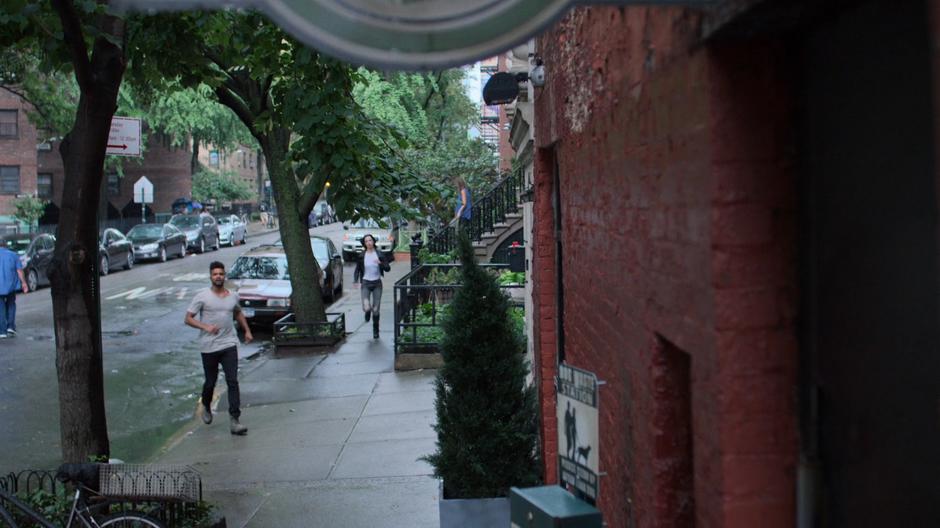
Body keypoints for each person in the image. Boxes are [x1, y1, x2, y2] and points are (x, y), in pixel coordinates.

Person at [185, 261, 253, 435]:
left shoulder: (232, 296)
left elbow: (237, 312)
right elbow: (188, 318)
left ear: (224, 276)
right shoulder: (202, 296)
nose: (218, 277)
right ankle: (206, 404)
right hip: (209, 346)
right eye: (215, 274)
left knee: (232, 381)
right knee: (210, 382)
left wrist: (246, 330)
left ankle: (235, 420)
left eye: (221, 274)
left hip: (229, 343)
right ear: (210, 276)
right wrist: (205, 327)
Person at [353, 234, 391, 339]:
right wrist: (355, 281)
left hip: (377, 284)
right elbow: (357, 270)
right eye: (366, 241)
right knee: (366, 307)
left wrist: (381, 263)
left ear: (373, 241)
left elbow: (388, 268)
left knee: (376, 309)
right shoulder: (361, 256)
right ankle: (367, 312)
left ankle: (376, 330)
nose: (369, 242)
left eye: (370, 240)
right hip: (365, 283)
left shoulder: (379, 254)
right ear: (364, 244)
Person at [0, 238, 28, 338]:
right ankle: (10, 327)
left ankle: (2, 331)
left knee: (1, 308)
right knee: (11, 304)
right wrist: (24, 283)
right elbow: (19, 271)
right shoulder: (13, 255)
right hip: (11, 286)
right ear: (5, 245)